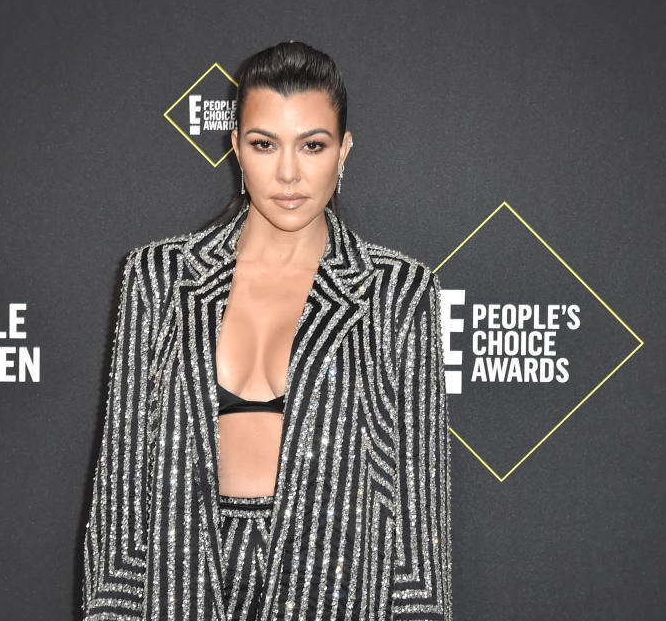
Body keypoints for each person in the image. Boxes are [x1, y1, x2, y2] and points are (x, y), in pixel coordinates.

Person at [81, 41, 452, 621]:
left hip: (333, 586)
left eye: (312, 145)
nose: (287, 173)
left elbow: (416, 536)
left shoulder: (398, 293)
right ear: (236, 148)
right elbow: (122, 501)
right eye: (263, 144)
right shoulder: (155, 280)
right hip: (180, 583)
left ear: (344, 151)